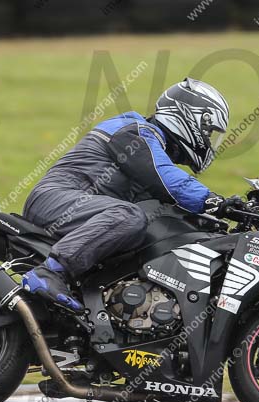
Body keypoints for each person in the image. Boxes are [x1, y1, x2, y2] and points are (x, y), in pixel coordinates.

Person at [21, 78, 240, 313]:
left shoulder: (154, 146)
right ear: (189, 116)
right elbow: (166, 178)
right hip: (56, 199)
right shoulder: (134, 131)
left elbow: (170, 208)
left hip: (81, 210)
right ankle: (49, 273)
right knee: (128, 216)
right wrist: (215, 202)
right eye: (208, 131)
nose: (208, 140)